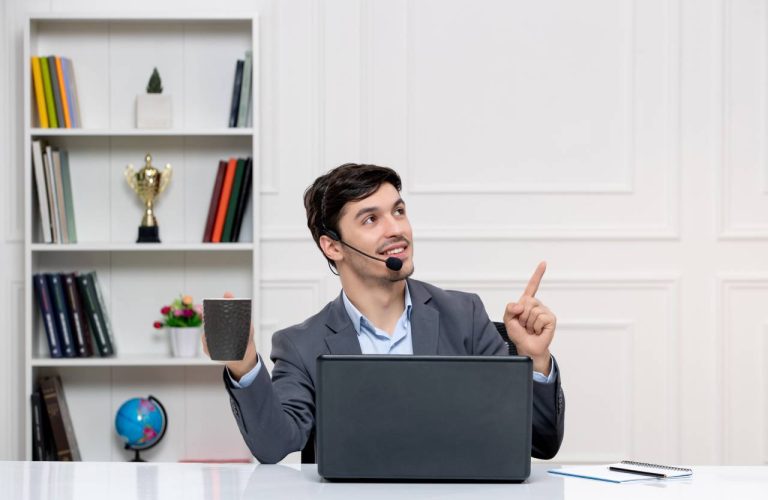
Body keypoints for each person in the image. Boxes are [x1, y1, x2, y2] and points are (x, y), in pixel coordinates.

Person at [206, 163, 565, 464]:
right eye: (370, 220)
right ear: (332, 246)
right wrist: (244, 365)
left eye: (398, 211)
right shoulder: (301, 344)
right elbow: (273, 445)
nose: (396, 229)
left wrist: (535, 359)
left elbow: (540, 442)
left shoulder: (464, 315)